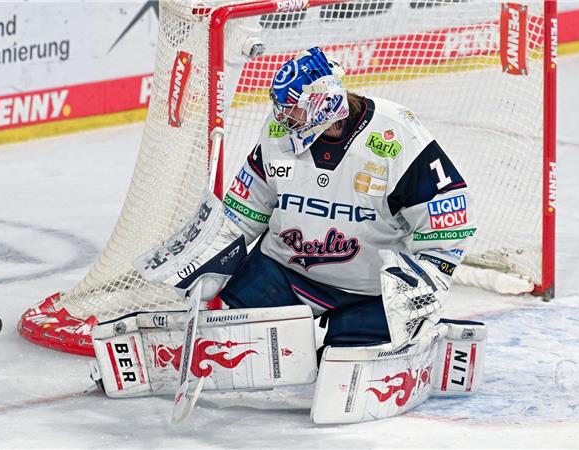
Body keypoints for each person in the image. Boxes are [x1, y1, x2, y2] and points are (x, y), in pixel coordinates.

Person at [203, 46, 476, 351]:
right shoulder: (278, 132)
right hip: (284, 271)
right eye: (282, 107)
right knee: (225, 338)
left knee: (344, 373)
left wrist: (427, 280)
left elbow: (447, 212)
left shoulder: (396, 136)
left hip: (370, 290)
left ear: (323, 104)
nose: (284, 116)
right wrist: (211, 258)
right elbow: (246, 206)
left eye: (294, 108)